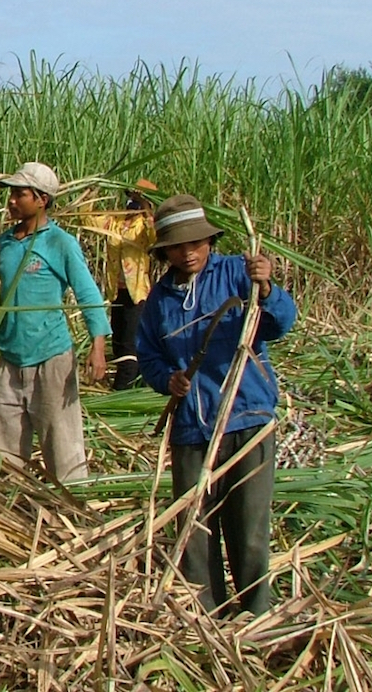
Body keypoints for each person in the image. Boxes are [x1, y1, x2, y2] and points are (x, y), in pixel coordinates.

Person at [136, 194, 297, 616]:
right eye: (177, 246)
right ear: (165, 251)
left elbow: (280, 323)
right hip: (193, 427)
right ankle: (204, 616)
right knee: (194, 531)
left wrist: (267, 288)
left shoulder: (236, 275)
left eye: (196, 244)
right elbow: (149, 355)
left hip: (246, 418)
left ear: (210, 242)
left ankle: (257, 616)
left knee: (249, 530)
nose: (188, 253)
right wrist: (166, 380)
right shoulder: (159, 300)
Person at [0, 161, 111, 483]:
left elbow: (88, 294)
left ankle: (74, 511)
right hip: (10, 357)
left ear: (42, 199)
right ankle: (8, 512)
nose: (11, 201)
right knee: (3, 450)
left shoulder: (60, 243)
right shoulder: (6, 242)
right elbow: (9, 293)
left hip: (51, 356)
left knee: (62, 446)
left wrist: (98, 347)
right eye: (11, 194)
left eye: (20, 194)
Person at [81, 180, 157, 389]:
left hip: (137, 294)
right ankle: (138, 386)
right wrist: (91, 191)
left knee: (129, 347)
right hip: (117, 291)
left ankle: (122, 391)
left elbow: (154, 237)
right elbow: (86, 217)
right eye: (131, 197)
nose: (132, 202)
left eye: (138, 199)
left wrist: (147, 209)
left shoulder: (144, 225)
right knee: (118, 343)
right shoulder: (115, 221)